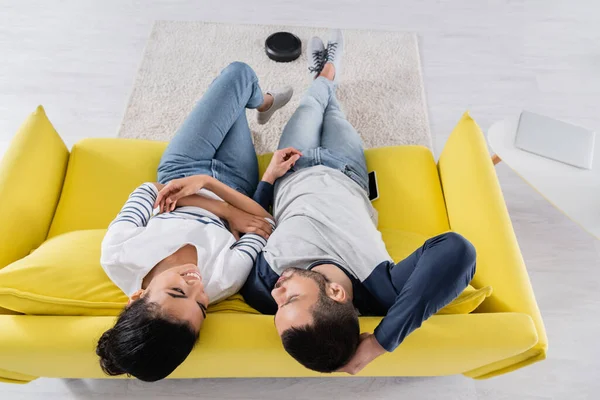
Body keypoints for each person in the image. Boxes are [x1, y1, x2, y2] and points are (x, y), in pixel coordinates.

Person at [240, 30, 478, 374]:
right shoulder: (383, 288)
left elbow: (256, 221)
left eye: (277, 309)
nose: (277, 294)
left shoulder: (261, 287)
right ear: (336, 293)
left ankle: (322, 75)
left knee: (309, 105)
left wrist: (268, 178)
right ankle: (327, 73)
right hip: (346, 168)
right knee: (335, 115)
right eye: (290, 299)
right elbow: (457, 251)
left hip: (293, 166)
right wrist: (381, 342)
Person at [96, 62, 298, 382]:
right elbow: (265, 224)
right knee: (237, 87)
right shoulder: (222, 281)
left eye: (178, 292)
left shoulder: (118, 254)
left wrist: (228, 213)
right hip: (234, 185)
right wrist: (214, 190)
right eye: (202, 306)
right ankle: (260, 103)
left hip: (181, 168)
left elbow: (149, 190)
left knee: (237, 75)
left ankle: (262, 103)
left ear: (137, 296)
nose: (196, 284)